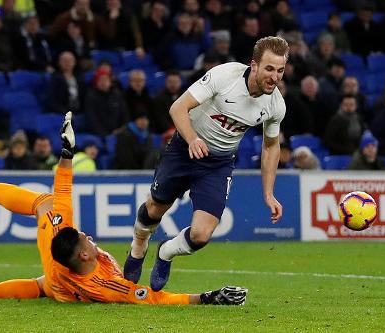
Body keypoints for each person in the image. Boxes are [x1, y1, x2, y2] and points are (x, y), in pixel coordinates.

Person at [0, 113, 248, 306]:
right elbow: (152, 298)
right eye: (85, 240)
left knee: (47, 207)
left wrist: (67, 154)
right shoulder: (106, 286)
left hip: (60, 278)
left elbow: (62, 192)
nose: (89, 237)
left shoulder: (69, 253)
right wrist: (206, 298)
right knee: (43, 283)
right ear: (83, 256)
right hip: (66, 284)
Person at [123, 36, 288, 292]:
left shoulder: (276, 104)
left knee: (201, 235)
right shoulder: (225, 76)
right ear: (253, 65)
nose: (275, 77)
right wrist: (192, 139)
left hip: (218, 164)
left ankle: (165, 252)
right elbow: (178, 107)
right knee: (155, 209)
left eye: (280, 70)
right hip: (184, 149)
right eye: (269, 68)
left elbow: (271, 146)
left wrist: (269, 193)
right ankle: (138, 245)